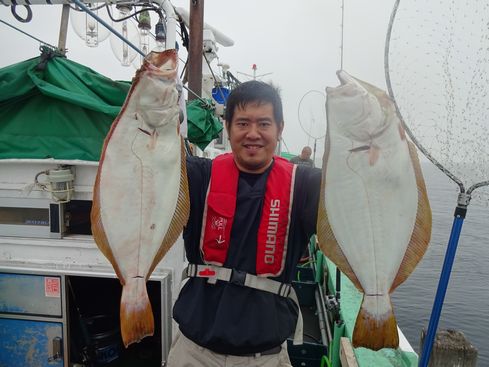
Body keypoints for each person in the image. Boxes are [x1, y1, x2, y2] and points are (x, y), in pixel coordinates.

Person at [167, 81, 321, 367]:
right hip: (193, 353)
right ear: (227, 127)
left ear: (280, 128)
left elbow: (359, 197)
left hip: (265, 358)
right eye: (242, 123)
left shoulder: (306, 186)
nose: (253, 134)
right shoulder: (199, 176)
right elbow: (150, 164)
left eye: (264, 123)